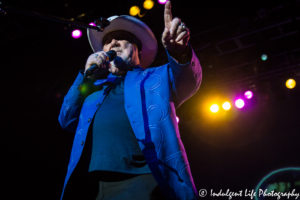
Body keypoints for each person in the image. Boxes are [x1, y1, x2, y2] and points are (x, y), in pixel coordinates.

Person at [59, 1, 202, 199]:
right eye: (108, 41)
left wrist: (179, 52)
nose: (113, 43)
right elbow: (66, 119)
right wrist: (87, 76)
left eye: (122, 38)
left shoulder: (158, 77)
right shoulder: (92, 90)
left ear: (138, 50)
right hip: (92, 185)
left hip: (146, 181)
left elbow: (189, 80)